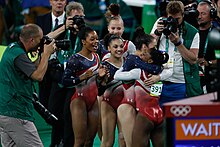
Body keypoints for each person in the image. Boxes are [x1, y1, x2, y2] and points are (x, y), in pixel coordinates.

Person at [36, 1, 86, 146]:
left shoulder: (86, 32)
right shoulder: (62, 29)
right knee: (53, 112)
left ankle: (65, 143)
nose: (77, 21)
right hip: (57, 76)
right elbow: (44, 40)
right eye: (73, 18)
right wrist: (65, 26)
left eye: (80, 17)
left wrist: (82, 29)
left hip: (76, 80)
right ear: (67, 18)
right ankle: (57, 142)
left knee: (67, 114)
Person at [0, 24, 55, 147]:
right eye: (40, 40)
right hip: (16, 113)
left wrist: (41, 53)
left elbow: (31, 67)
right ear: (31, 40)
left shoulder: (12, 48)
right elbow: (38, 76)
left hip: (5, 112)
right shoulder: (19, 55)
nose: (41, 42)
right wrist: (46, 54)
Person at [114, 26, 165, 147]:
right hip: (140, 107)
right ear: (144, 47)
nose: (155, 49)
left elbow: (118, 75)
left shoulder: (139, 66)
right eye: (153, 48)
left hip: (142, 110)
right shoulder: (137, 61)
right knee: (125, 141)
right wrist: (158, 71)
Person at [150, 1, 203, 107]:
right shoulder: (160, 23)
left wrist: (178, 43)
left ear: (183, 15)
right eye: (171, 18)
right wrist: (156, 33)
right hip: (159, 79)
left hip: (181, 82)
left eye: (177, 19)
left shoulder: (193, 32)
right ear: (167, 15)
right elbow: (148, 49)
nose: (174, 21)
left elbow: (193, 59)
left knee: (177, 118)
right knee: (157, 116)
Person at [62, 26, 100, 147]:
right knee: (79, 141)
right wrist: (81, 77)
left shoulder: (97, 57)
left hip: (93, 100)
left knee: (90, 140)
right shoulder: (75, 59)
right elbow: (65, 81)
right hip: (79, 100)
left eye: (97, 39)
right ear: (83, 41)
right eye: (92, 39)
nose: (96, 42)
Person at [98, 34, 125, 147]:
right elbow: (99, 92)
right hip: (109, 104)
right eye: (115, 47)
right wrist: (102, 80)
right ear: (109, 48)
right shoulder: (104, 66)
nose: (119, 49)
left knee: (123, 139)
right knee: (108, 141)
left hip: (125, 104)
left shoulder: (129, 62)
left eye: (121, 46)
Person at [197, 0, 218, 93]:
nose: (199, 16)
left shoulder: (217, 34)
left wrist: (208, 63)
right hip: (193, 79)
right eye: (198, 13)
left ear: (211, 16)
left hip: (211, 79)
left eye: (203, 14)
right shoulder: (191, 32)